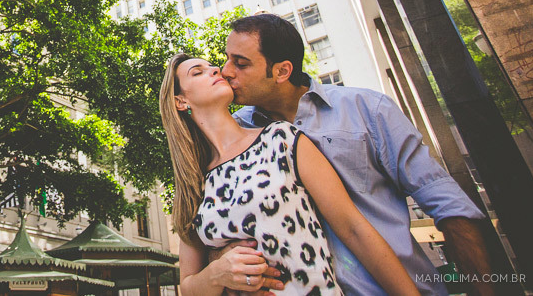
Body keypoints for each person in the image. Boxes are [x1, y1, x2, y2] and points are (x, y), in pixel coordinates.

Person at [213, 14, 492, 296]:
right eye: (227, 59)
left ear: (282, 71)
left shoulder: (368, 109)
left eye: (241, 63)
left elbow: (449, 206)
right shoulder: (235, 135)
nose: (225, 71)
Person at [160, 52, 420, 296]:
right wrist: (217, 274)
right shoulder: (192, 181)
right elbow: (188, 285)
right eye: (198, 72)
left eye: (211, 65)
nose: (215, 69)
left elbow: (352, 228)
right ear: (180, 101)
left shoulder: (281, 138)